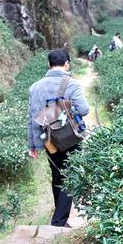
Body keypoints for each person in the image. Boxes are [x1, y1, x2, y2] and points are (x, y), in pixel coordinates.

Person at [27, 49, 90, 227]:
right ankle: (59, 222)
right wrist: (67, 114)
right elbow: (84, 109)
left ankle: (60, 220)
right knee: (70, 176)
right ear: (67, 64)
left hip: (48, 140)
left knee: (57, 176)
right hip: (70, 138)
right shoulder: (71, 84)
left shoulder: (35, 87)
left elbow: (31, 119)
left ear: (49, 64)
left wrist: (33, 145)